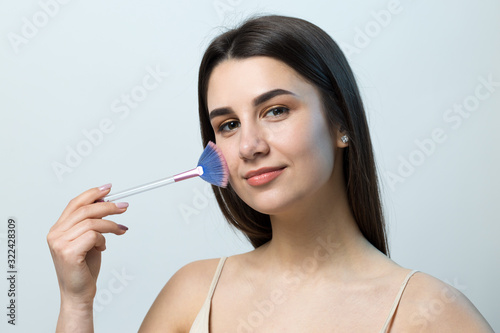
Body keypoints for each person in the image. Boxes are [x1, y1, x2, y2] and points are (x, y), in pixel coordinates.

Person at [47, 15, 493, 332]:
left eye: (276, 110)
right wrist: (76, 304)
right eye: (228, 125)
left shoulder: (430, 314)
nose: (249, 146)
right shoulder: (192, 293)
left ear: (341, 124)